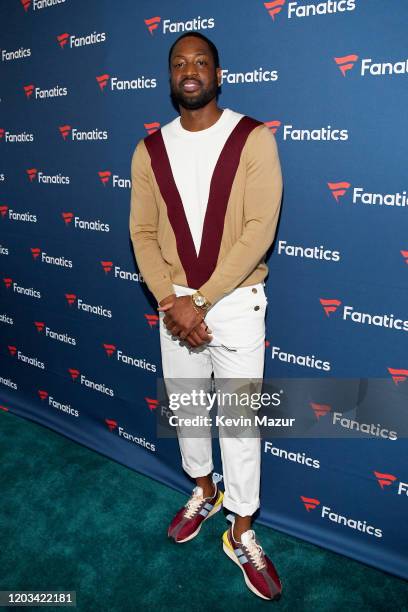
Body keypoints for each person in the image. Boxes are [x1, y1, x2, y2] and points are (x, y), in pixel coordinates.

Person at [129, 32, 283, 601]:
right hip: (173, 306)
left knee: (241, 423)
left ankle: (241, 529)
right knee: (189, 409)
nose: (189, 70)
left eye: (200, 62)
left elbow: (258, 230)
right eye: (178, 63)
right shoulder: (149, 151)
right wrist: (174, 303)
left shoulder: (254, 139)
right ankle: (203, 489)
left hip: (237, 304)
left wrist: (203, 299)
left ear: (219, 76)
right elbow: (141, 232)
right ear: (170, 78)